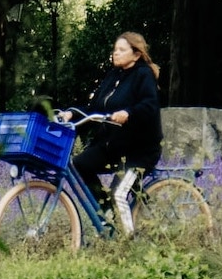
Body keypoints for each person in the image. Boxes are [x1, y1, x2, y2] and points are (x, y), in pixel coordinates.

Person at [69, 31, 162, 196]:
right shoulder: (112, 77)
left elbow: (150, 105)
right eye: (115, 49)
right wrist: (71, 114)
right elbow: (94, 109)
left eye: (121, 49)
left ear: (136, 55)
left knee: (118, 194)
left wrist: (128, 113)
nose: (116, 53)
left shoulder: (143, 74)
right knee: (79, 164)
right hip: (112, 148)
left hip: (139, 152)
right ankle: (107, 213)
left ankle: (120, 219)